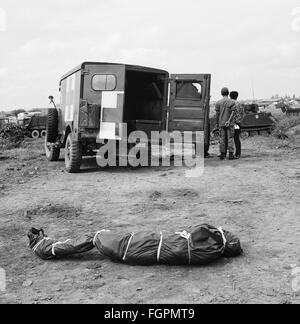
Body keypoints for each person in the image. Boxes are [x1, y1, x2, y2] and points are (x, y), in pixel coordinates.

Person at [215, 88, 236, 160]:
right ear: (228, 93)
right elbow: (233, 112)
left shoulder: (218, 102)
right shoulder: (232, 102)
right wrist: (229, 121)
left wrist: (217, 123)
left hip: (221, 123)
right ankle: (231, 155)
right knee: (230, 138)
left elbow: (217, 114)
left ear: (221, 93)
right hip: (229, 124)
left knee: (222, 139)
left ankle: (223, 154)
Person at [229, 91, 245, 159]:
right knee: (236, 138)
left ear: (230, 96)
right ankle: (238, 153)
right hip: (237, 123)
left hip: (231, 123)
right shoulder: (239, 104)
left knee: (230, 138)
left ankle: (229, 153)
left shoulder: (230, 103)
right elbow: (243, 114)